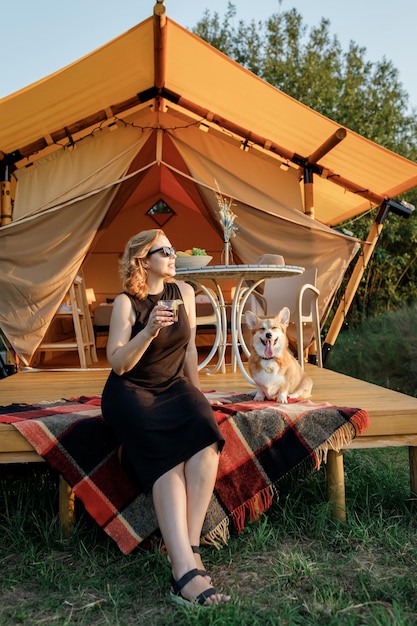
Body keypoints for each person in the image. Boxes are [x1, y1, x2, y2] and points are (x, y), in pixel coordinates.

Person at [101, 228, 230, 607]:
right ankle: (184, 573)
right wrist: (149, 331)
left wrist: (197, 398)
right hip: (132, 394)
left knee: (206, 440)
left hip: (174, 387)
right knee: (168, 462)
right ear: (144, 260)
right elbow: (118, 365)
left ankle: (189, 550)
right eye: (165, 251)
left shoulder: (184, 293)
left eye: (174, 249)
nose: (174, 256)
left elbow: (188, 351)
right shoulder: (127, 303)